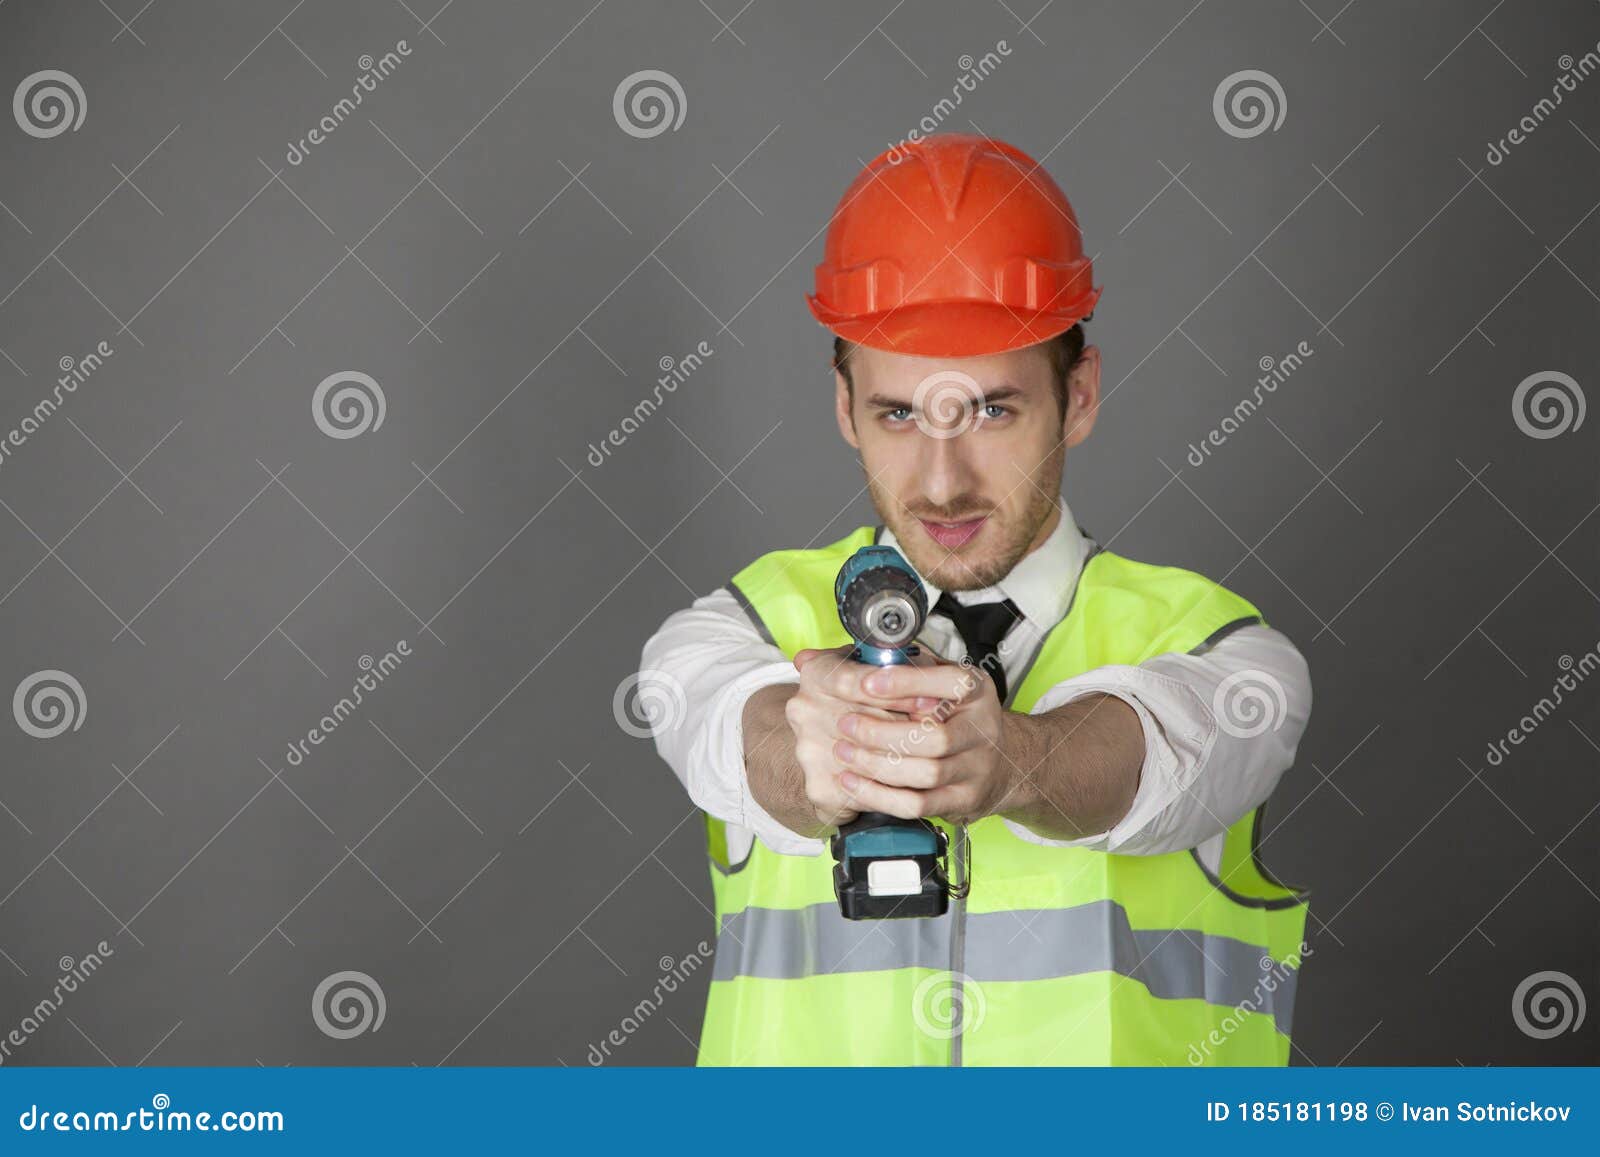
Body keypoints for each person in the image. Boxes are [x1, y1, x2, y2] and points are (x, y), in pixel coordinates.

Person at [640, 134, 1312, 1066]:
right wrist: (813, 750)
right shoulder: (738, 628)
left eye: (993, 411)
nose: (943, 482)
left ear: (1078, 398)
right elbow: (734, 729)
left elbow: (1162, 745)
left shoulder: (1227, 655)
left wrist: (1017, 762)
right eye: (899, 414)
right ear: (844, 409)